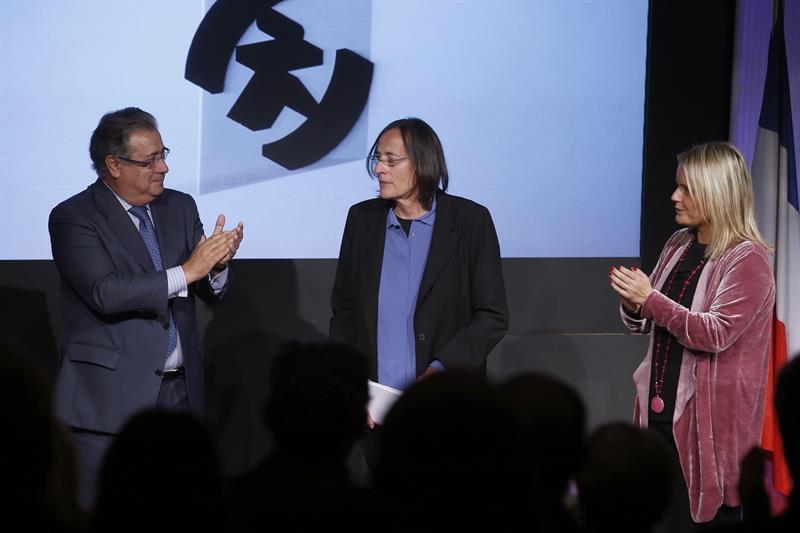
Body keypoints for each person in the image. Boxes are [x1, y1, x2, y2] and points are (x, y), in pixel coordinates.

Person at [48, 107, 243, 509]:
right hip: (107, 400)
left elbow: (208, 290)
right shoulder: (74, 217)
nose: (164, 167)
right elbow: (104, 292)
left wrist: (216, 267)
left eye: (163, 153)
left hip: (179, 394)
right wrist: (189, 270)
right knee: (103, 512)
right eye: (150, 160)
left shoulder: (180, 207)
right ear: (113, 165)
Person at [609, 142, 775, 528]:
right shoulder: (679, 245)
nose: (674, 197)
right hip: (659, 416)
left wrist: (649, 299)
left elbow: (714, 332)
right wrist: (635, 305)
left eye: (686, 189)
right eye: (676, 186)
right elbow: (651, 321)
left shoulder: (748, 260)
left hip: (710, 431)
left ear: (716, 193)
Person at [329, 117, 508, 394]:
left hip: (447, 400)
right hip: (374, 408)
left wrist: (442, 371)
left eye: (391, 160)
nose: (379, 169)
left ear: (422, 164)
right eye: (378, 159)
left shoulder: (470, 221)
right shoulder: (362, 220)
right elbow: (344, 312)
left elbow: (491, 316)